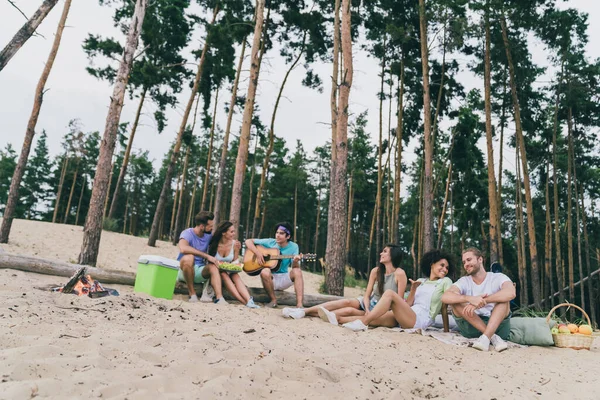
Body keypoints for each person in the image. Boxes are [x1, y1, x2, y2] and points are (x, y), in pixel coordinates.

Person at [281, 244, 407, 321]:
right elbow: (367, 294)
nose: (381, 253)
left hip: (382, 310)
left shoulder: (400, 274)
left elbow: (399, 302)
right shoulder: (376, 271)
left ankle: (314, 314)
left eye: (385, 251)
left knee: (347, 311)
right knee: (346, 302)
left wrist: (372, 313)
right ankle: (303, 311)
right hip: (370, 304)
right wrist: (367, 308)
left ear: (393, 255)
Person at [340, 249, 455, 331]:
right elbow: (409, 304)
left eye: (447, 268)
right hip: (407, 314)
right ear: (432, 264)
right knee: (374, 320)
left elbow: (444, 308)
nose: (445, 269)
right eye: (442, 265)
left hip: (420, 319)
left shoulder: (445, 281)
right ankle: (337, 318)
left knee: (390, 293)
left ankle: (362, 324)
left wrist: (446, 330)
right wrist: (413, 289)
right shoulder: (421, 281)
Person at [441, 247, 516, 352]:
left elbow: (510, 292)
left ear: (480, 259)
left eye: (469, 260)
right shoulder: (464, 281)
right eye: (464, 262)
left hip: (497, 325)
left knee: (504, 300)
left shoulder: (498, 277)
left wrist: (483, 301)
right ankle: (491, 337)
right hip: (471, 326)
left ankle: (486, 337)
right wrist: (470, 299)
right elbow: (445, 297)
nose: (466, 264)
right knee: (455, 301)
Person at [244, 222, 303, 308]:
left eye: (281, 233)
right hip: (270, 279)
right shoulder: (270, 242)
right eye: (277, 232)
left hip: (284, 278)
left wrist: (295, 261)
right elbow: (248, 241)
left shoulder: (294, 246)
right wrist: (258, 254)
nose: (278, 235)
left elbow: (294, 268)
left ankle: (299, 305)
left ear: (288, 236)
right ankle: (273, 300)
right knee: (264, 271)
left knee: (297, 271)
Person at [177, 211, 227, 304]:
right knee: (189, 258)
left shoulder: (208, 236)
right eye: (210, 226)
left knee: (213, 266)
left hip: (199, 271)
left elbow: (222, 242)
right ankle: (192, 294)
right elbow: (183, 248)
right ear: (201, 226)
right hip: (184, 271)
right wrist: (206, 256)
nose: (212, 228)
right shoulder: (187, 233)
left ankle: (220, 298)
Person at [207, 221, 260, 309]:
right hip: (215, 276)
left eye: (234, 231)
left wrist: (237, 251)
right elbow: (209, 263)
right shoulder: (213, 244)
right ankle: (243, 301)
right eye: (231, 232)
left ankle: (249, 300)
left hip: (228, 273)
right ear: (223, 233)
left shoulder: (234, 244)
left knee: (235, 275)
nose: (234, 234)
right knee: (223, 274)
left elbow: (235, 262)